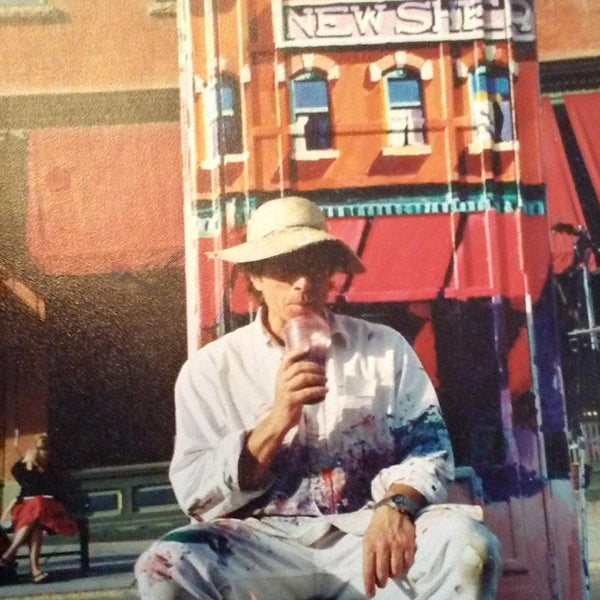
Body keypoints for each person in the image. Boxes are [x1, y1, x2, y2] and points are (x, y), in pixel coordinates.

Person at [135, 196, 501, 599]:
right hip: (260, 542)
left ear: (331, 275)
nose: (303, 284)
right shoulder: (211, 369)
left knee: (469, 546)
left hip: (365, 532)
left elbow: (429, 450)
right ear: (254, 276)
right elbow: (197, 495)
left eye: (314, 267)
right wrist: (278, 418)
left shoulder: (383, 348)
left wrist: (396, 506)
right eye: (285, 268)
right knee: (166, 566)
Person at [0, 433, 78, 584]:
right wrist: (28, 466)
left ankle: (8, 555)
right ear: (33, 450)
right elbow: (28, 487)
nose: (45, 452)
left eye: (47, 449)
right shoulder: (21, 468)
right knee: (36, 519)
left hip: (51, 508)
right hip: (27, 509)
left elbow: (51, 490)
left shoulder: (54, 468)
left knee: (38, 503)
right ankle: (35, 570)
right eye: (41, 449)